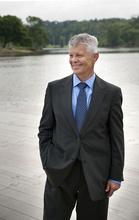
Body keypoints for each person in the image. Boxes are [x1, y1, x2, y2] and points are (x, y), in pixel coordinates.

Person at [38, 33, 124, 220]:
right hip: (59, 172)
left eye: (79, 55)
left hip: (96, 175)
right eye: (71, 55)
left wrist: (115, 176)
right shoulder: (54, 88)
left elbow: (116, 137)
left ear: (95, 57)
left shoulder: (111, 93)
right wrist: (48, 163)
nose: (73, 60)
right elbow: (45, 130)